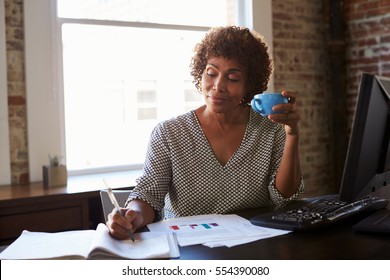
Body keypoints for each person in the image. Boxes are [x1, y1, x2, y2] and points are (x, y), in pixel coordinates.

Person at [107, 26, 304, 240]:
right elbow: (148, 194)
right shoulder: (169, 133)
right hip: (187, 249)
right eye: (211, 73)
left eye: (233, 78)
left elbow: (284, 197)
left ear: (250, 85)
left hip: (254, 246)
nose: (218, 86)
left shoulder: (271, 131)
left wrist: (292, 134)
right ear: (201, 73)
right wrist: (133, 214)